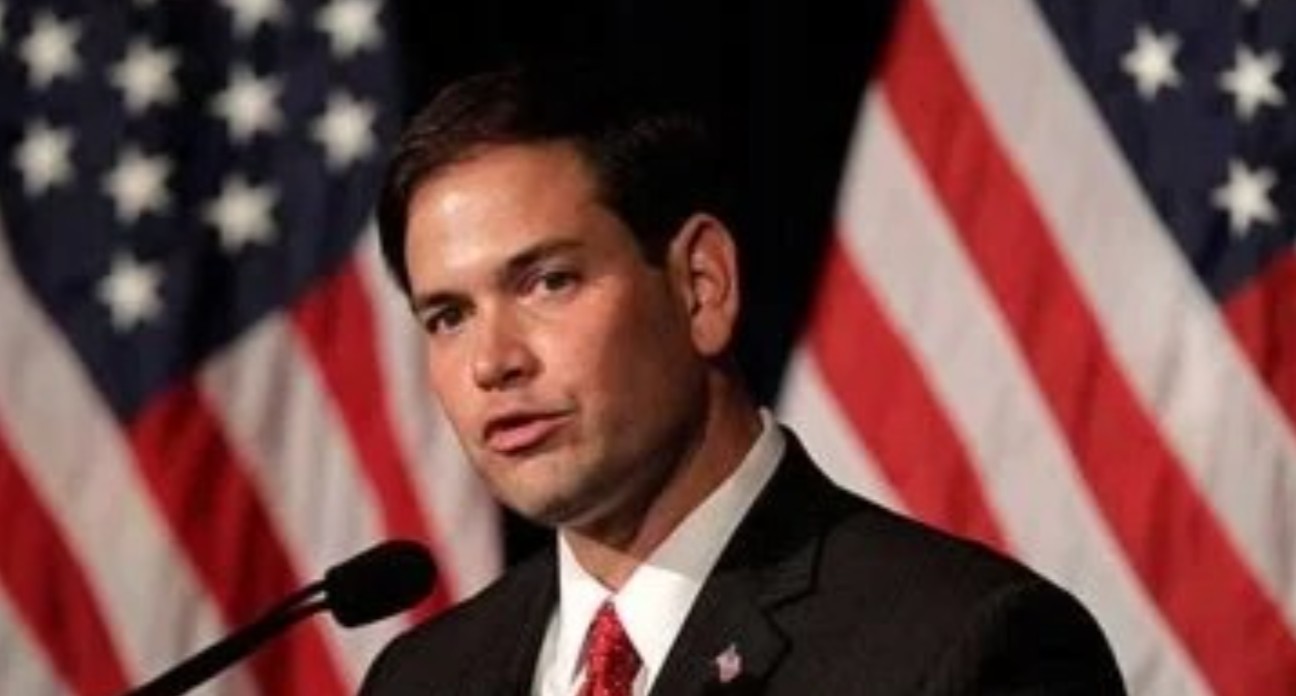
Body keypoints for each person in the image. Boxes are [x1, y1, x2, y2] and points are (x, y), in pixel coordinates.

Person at [360, 63, 1126, 696]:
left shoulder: (966, 648)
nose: (492, 362)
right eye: (448, 316)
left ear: (701, 286)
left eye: (549, 282)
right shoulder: (420, 679)